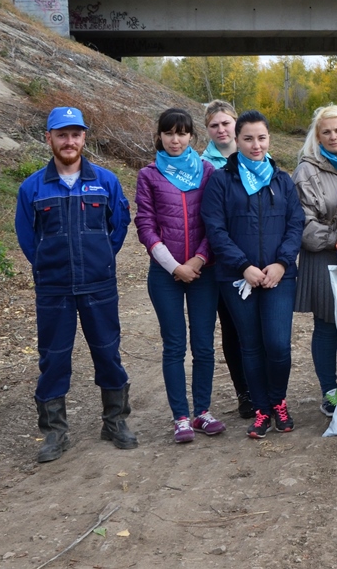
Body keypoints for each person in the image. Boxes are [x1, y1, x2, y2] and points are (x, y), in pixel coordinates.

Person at [15, 106, 137, 463]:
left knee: (107, 352)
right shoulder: (32, 187)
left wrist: (101, 257)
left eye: (76, 134)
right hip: (53, 288)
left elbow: (119, 225)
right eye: (62, 134)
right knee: (53, 359)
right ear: (49, 138)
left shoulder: (106, 182)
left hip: (99, 285)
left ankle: (115, 422)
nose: (70, 141)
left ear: (85, 138)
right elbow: (26, 236)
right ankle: (55, 432)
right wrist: (47, 265)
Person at [201, 111, 304, 439]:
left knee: (277, 344)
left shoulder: (282, 180)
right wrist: (244, 266)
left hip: (279, 277)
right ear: (237, 140)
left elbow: (295, 223)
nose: (255, 144)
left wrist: (282, 263)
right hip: (237, 277)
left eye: (261, 138)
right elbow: (215, 229)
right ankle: (261, 408)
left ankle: (278, 401)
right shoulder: (220, 180)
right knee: (250, 345)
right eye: (248, 138)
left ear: (268, 139)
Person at [135, 108, 225, 444]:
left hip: (205, 272)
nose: (176, 139)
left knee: (203, 345)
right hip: (165, 274)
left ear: (192, 136)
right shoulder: (148, 175)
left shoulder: (208, 172)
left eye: (182, 133)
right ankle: (181, 418)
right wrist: (175, 266)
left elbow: (215, 222)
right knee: (174, 346)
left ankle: (202, 411)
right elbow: (145, 226)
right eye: (169, 133)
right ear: (159, 136)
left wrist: (199, 261)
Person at [292, 105, 337, 417]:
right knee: (327, 325)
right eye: (327, 131)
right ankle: (330, 391)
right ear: (317, 136)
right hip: (325, 257)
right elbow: (304, 226)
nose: (334, 136)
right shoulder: (307, 171)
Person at [201, 100, 252, 419]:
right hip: (220, 260)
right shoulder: (201, 165)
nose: (221, 129)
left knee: (256, 328)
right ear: (207, 129)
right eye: (214, 125)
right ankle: (244, 393)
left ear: (236, 124)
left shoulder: (257, 155)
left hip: (255, 257)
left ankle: (265, 389)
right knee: (232, 328)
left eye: (226, 123)